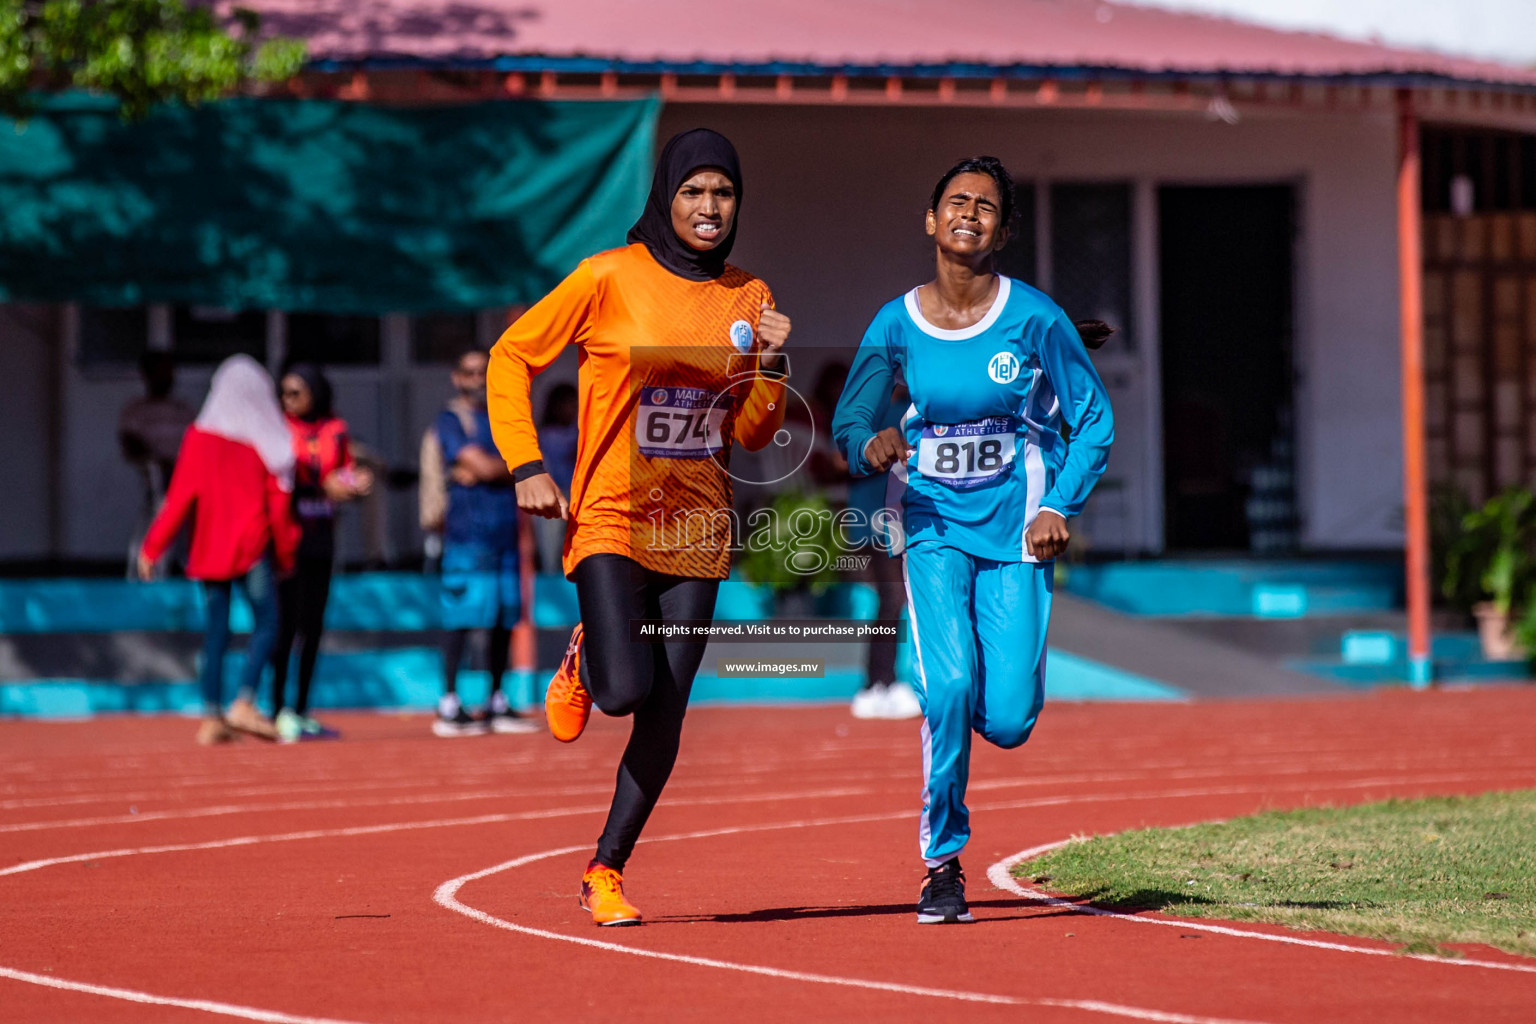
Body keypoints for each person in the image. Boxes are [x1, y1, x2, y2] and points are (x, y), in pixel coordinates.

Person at [488, 128, 791, 926]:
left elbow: (754, 434)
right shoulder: (606, 278)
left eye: (722, 193)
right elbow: (510, 357)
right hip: (612, 514)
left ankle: (606, 869)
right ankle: (590, 653)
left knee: (667, 712)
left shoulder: (749, 297)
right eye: (693, 191)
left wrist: (771, 367)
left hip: (697, 525)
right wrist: (526, 465)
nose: (709, 207)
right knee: (625, 691)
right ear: (665, 196)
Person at [832, 156, 1113, 924]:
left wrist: (1061, 504)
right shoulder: (895, 323)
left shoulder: (1034, 317)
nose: (969, 214)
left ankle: (954, 713)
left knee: (1013, 719)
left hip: (1018, 531)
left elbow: (1092, 419)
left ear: (1005, 229)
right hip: (929, 526)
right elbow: (849, 420)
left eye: (986, 207)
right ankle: (941, 864)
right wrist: (872, 444)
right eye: (955, 201)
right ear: (930, 220)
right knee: (948, 687)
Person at [138, 354, 300, 745]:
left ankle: (211, 715)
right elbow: (278, 504)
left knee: (216, 633)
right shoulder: (269, 440)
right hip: (253, 545)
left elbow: (178, 498)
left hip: (210, 549)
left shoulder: (198, 437)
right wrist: (286, 554)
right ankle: (245, 700)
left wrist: (152, 547)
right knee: (268, 624)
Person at [433, 348, 540, 738]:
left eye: (484, 372)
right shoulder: (450, 420)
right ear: (456, 377)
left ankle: (496, 701)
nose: (477, 378)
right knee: (460, 619)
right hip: (466, 536)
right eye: (470, 371)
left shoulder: (505, 417)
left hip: (505, 536)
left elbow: (525, 461)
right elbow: (505, 465)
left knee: (502, 619)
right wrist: (511, 468)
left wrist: (490, 469)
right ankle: (448, 703)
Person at [269, 363, 373, 742]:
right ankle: (277, 708)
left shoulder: (336, 430)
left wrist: (356, 484)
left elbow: (344, 475)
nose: (288, 401)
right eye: (284, 393)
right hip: (287, 538)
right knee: (284, 627)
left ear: (316, 393)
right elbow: (276, 479)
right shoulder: (278, 427)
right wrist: (316, 488)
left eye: (296, 393)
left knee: (312, 628)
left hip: (322, 538)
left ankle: (300, 709)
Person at [846, 376, 923, 721]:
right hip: (877, 517)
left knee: (895, 598)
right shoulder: (879, 409)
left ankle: (881, 683)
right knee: (892, 597)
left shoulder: (905, 409)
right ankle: (877, 684)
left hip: (900, 517)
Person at [120, 350, 195, 579]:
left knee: (185, 541)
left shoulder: (183, 410)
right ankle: (146, 583)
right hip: (156, 487)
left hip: (186, 486)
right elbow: (130, 445)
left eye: (169, 371)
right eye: (161, 371)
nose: (167, 377)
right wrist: (159, 463)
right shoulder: (136, 410)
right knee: (154, 533)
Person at [533, 383, 578, 573]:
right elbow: (566, 447)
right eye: (567, 404)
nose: (571, 409)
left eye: (574, 404)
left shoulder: (576, 431)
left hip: (577, 498)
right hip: (552, 498)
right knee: (551, 552)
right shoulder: (547, 435)